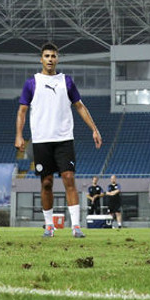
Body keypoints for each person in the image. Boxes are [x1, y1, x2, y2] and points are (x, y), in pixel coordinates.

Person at [15, 42, 103, 239]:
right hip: (41, 141)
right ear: (41, 59)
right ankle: (48, 226)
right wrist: (19, 135)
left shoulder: (67, 81)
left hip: (64, 139)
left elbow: (79, 106)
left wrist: (94, 129)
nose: (50, 59)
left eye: (53, 56)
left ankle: (76, 227)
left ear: (57, 59)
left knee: (69, 179)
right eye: (46, 56)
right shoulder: (32, 83)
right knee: (46, 183)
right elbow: (22, 111)